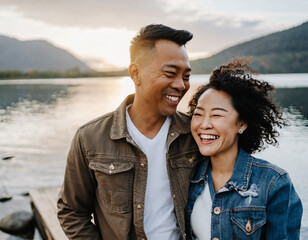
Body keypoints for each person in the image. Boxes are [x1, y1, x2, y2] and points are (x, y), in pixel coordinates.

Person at [57, 24, 202, 239]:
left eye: (186, 76)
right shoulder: (89, 139)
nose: (181, 85)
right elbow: (72, 211)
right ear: (135, 73)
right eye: (170, 73)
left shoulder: (194, 135)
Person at [185, 59, 303, 239]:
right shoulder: (187, 177)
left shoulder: (273, 184)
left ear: (242, 124)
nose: (204, 124)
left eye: (216, 115)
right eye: (198, 114)